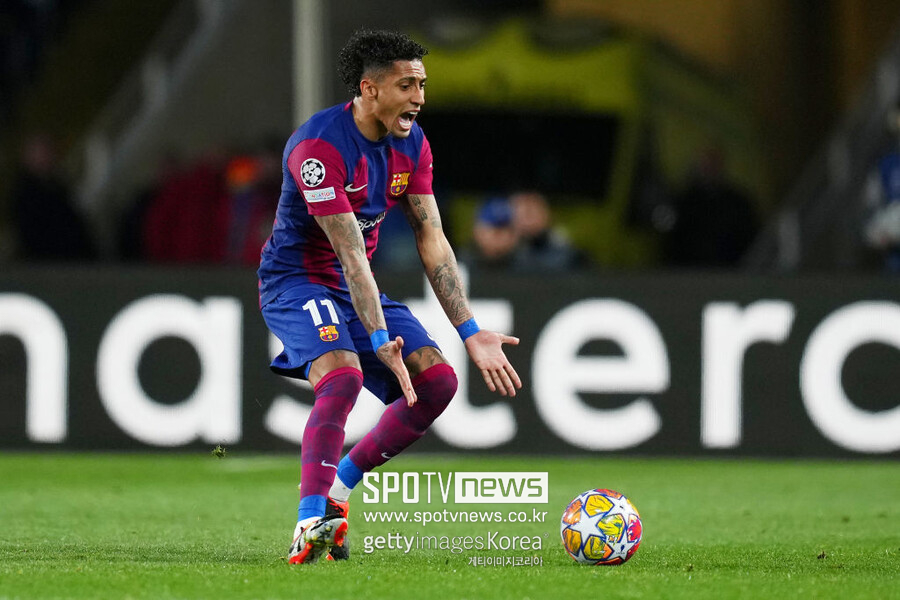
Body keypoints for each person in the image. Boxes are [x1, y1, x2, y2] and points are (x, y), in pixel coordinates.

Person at [257, 29, 522, 565]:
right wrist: (379, 338)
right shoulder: (319, 149)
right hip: (296, 281)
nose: (419, 97)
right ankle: (310, 521)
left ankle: (339, 491)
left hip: (355, 285)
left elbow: (432, 237)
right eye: (407, 86)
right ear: (369, 89)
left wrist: (470, 331)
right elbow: (351, 252)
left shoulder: (414, 143)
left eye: (422, 85)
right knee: (343, 376)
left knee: (438, 383)